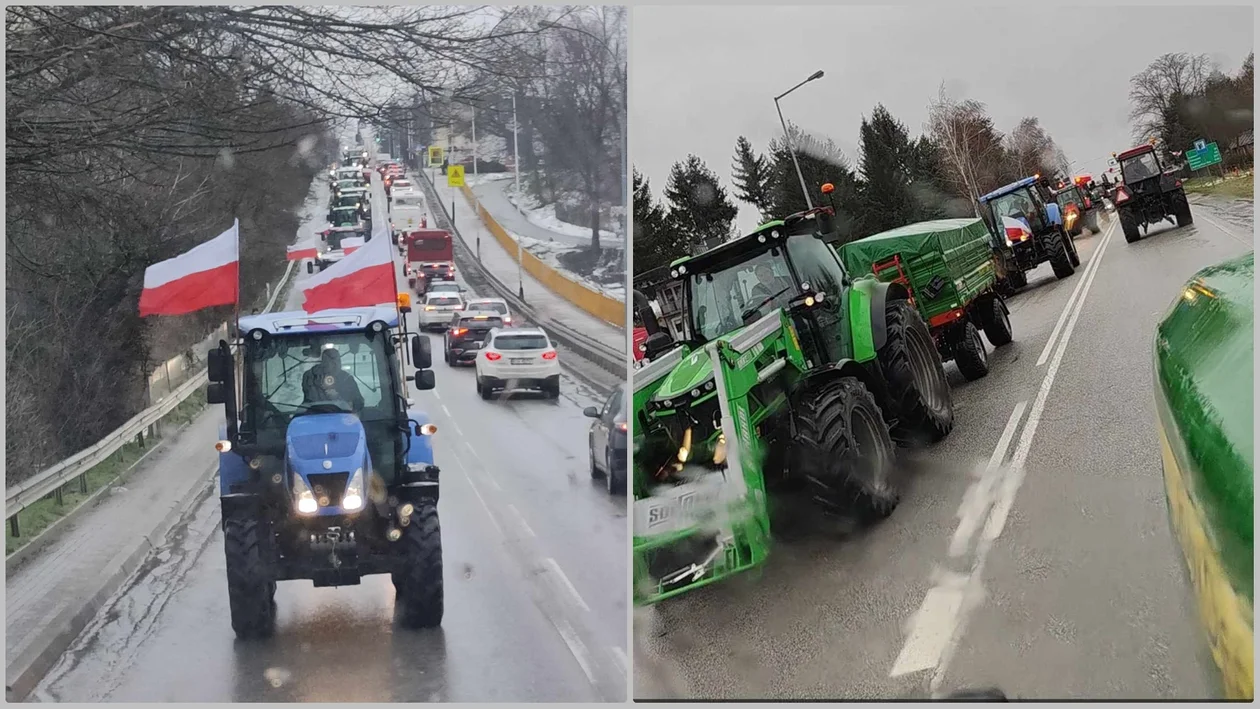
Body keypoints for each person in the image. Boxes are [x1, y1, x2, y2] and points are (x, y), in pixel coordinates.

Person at [302, 346, 364, 413]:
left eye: (337, 361)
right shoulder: (311, 376)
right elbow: (306, 403)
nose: (335, 364)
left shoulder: (346, 379)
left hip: (342, 418)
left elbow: (358, 404)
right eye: (329, 361)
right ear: (323, 362)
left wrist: (337, 397)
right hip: (313, 417)